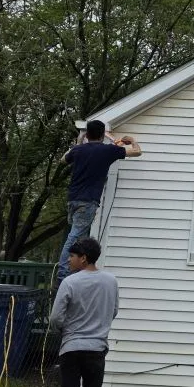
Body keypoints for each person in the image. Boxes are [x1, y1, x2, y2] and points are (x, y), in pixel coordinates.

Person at [49, 237, 119, 387]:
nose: (69, 260)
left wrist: (63, 331)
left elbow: (55, 318)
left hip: (71, 347)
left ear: (84, 258)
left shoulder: (70, 282)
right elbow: (114, 311)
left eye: (72, 256)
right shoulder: (111, 281)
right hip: (97, 349)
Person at [57, 119, 141, 281]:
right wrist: (132, 140)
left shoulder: (78, 150)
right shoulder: (108, 151)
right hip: (88, 201)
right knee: (74, 236)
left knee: (78, 235)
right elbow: (137, 152)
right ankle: (63, 272)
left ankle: (74, 269)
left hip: (72, 200)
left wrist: (77, 143)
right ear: (103, 135)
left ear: (87, 134)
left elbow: (63, 160)